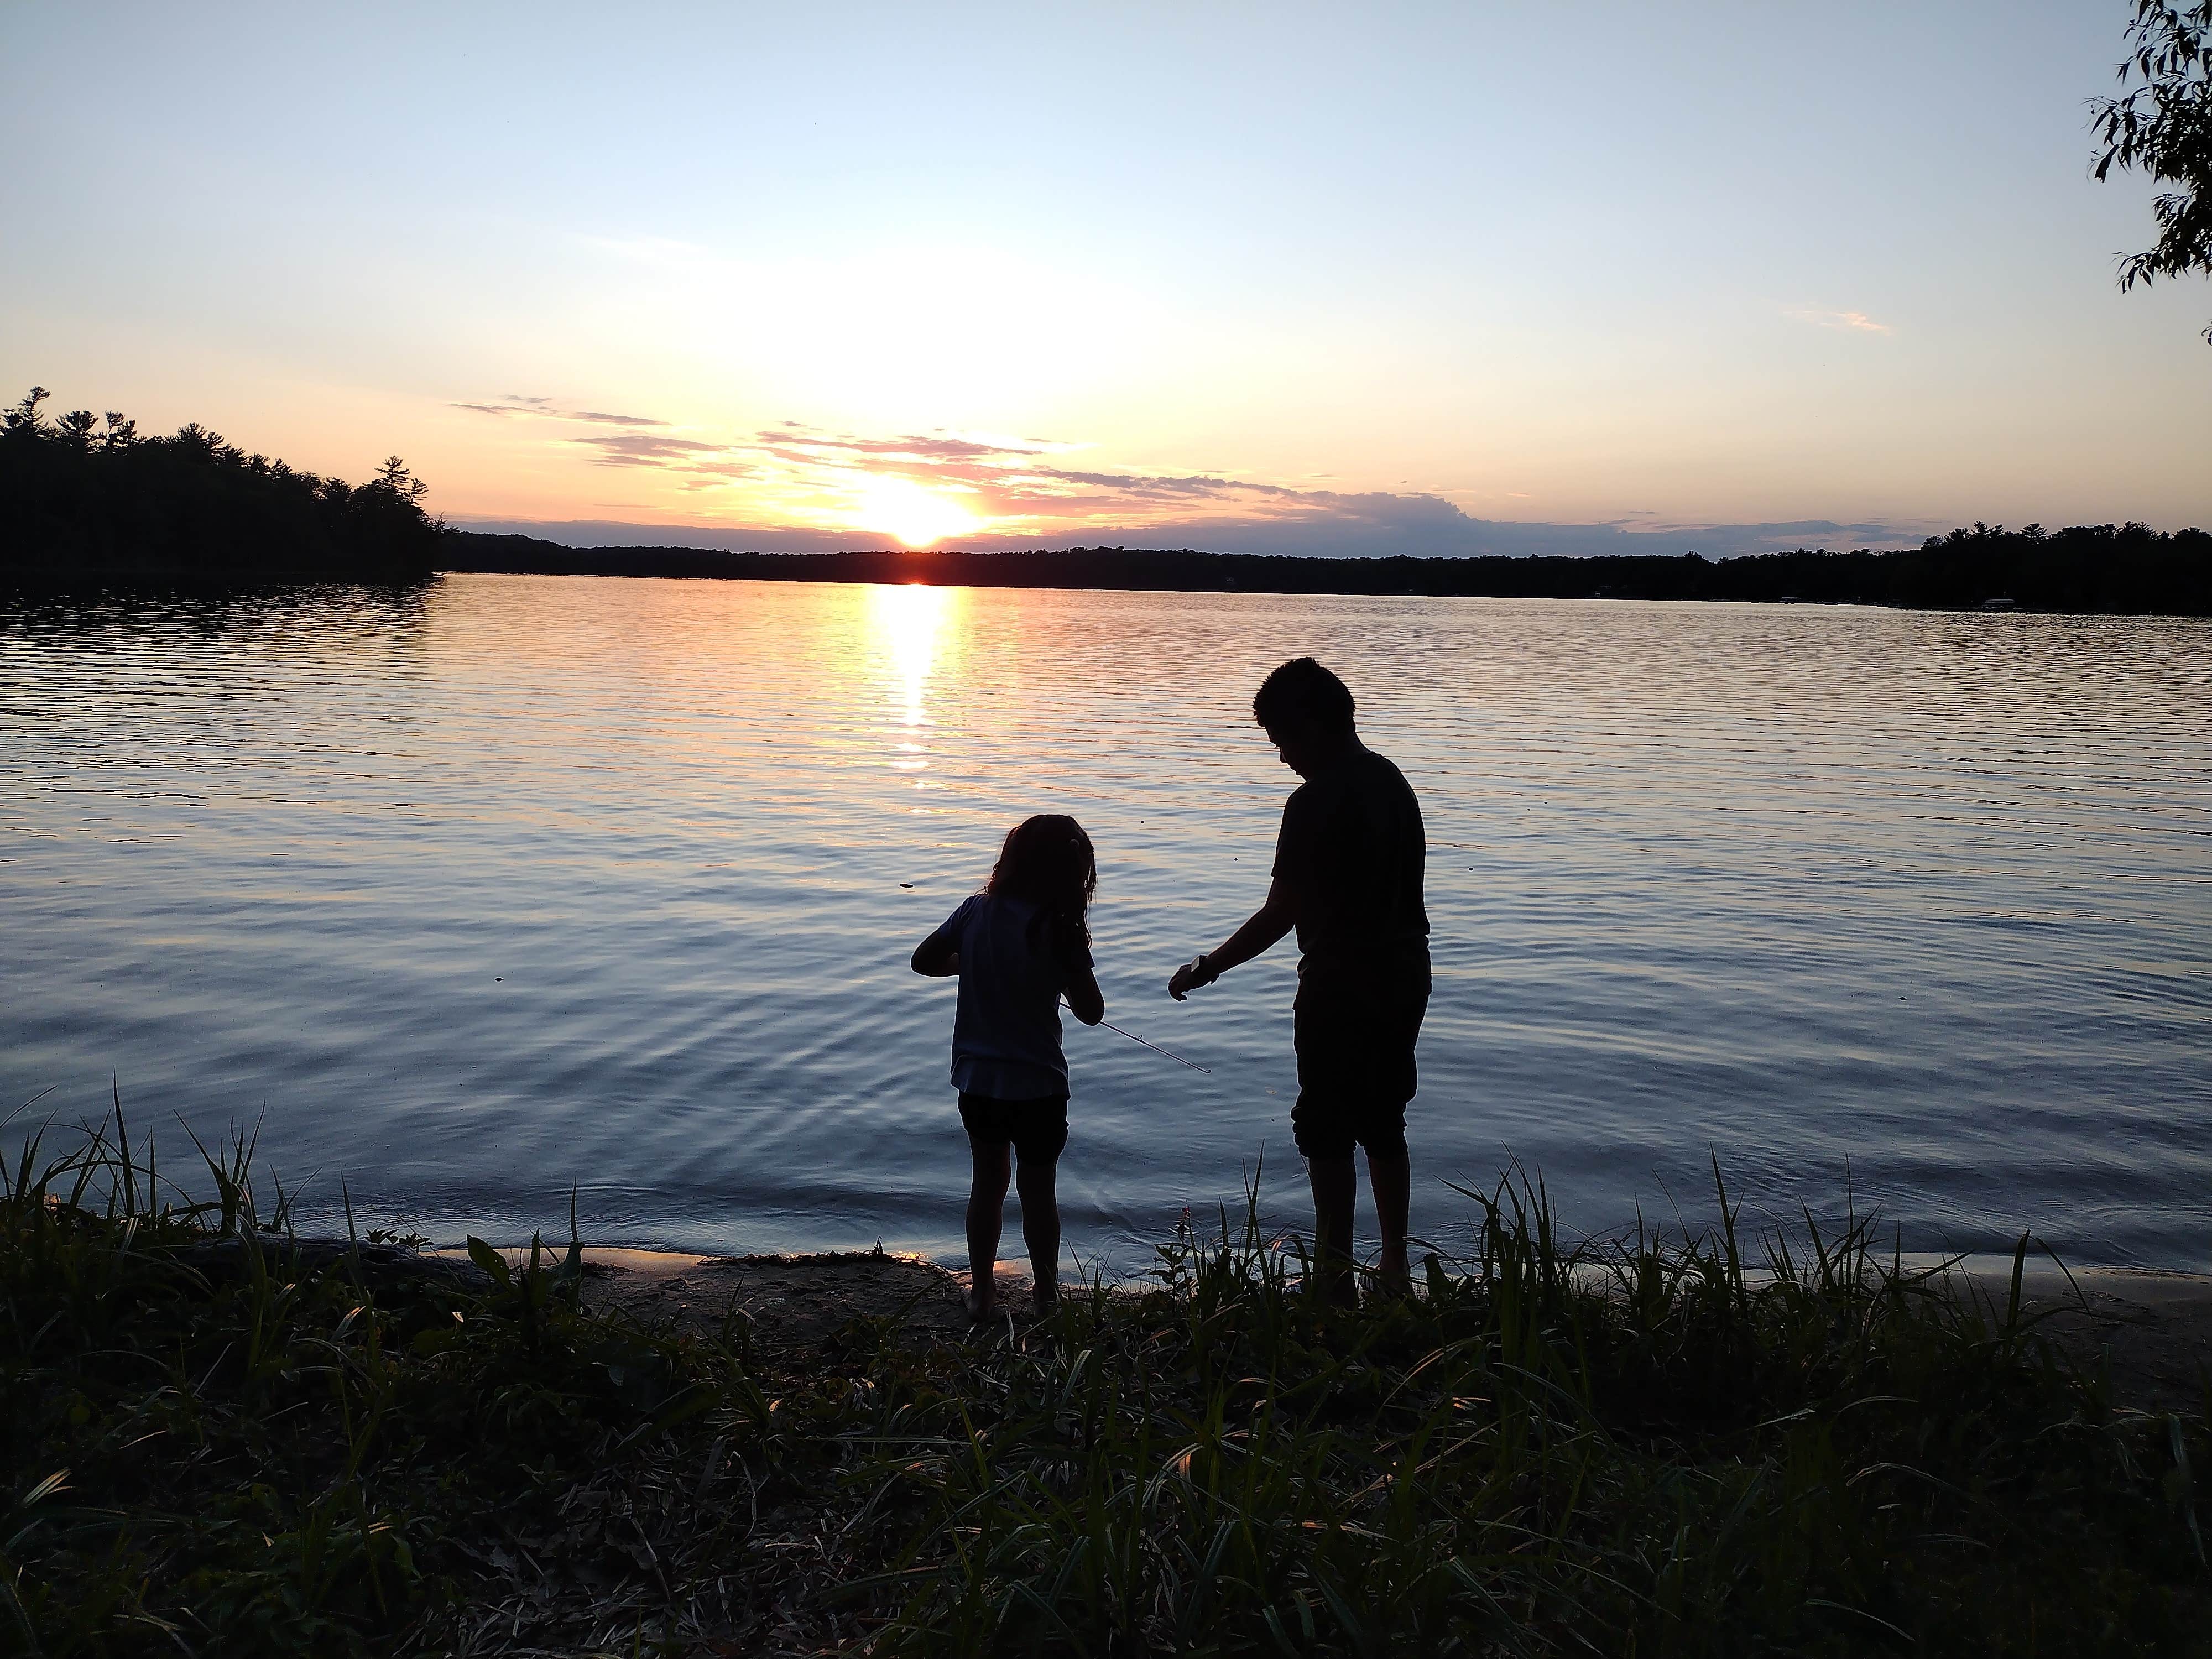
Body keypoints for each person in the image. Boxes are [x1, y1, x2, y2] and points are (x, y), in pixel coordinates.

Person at [1167, 658, 1430, 1306]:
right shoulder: (1392, 780)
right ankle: (1394, 1267)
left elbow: (1282, 911)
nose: (1280, 755)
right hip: (1405, 972)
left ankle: (1335, 1278)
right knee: (1384, 1119)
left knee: (1326, 1127)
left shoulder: (1312, 801)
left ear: (1313, 723)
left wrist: (1209, 966)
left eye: (1281, 738)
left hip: (1340, 980)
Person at [912, 814, 1105, 1319]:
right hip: (1040, 1086)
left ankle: (983, 1294)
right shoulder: (1060, 930)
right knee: (1040, 1193)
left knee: (987, 1183)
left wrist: (971, 963)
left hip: (979, 1083)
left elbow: (924, 961)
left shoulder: (975, 913)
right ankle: (1046, 1295)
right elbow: (1092, 1012)